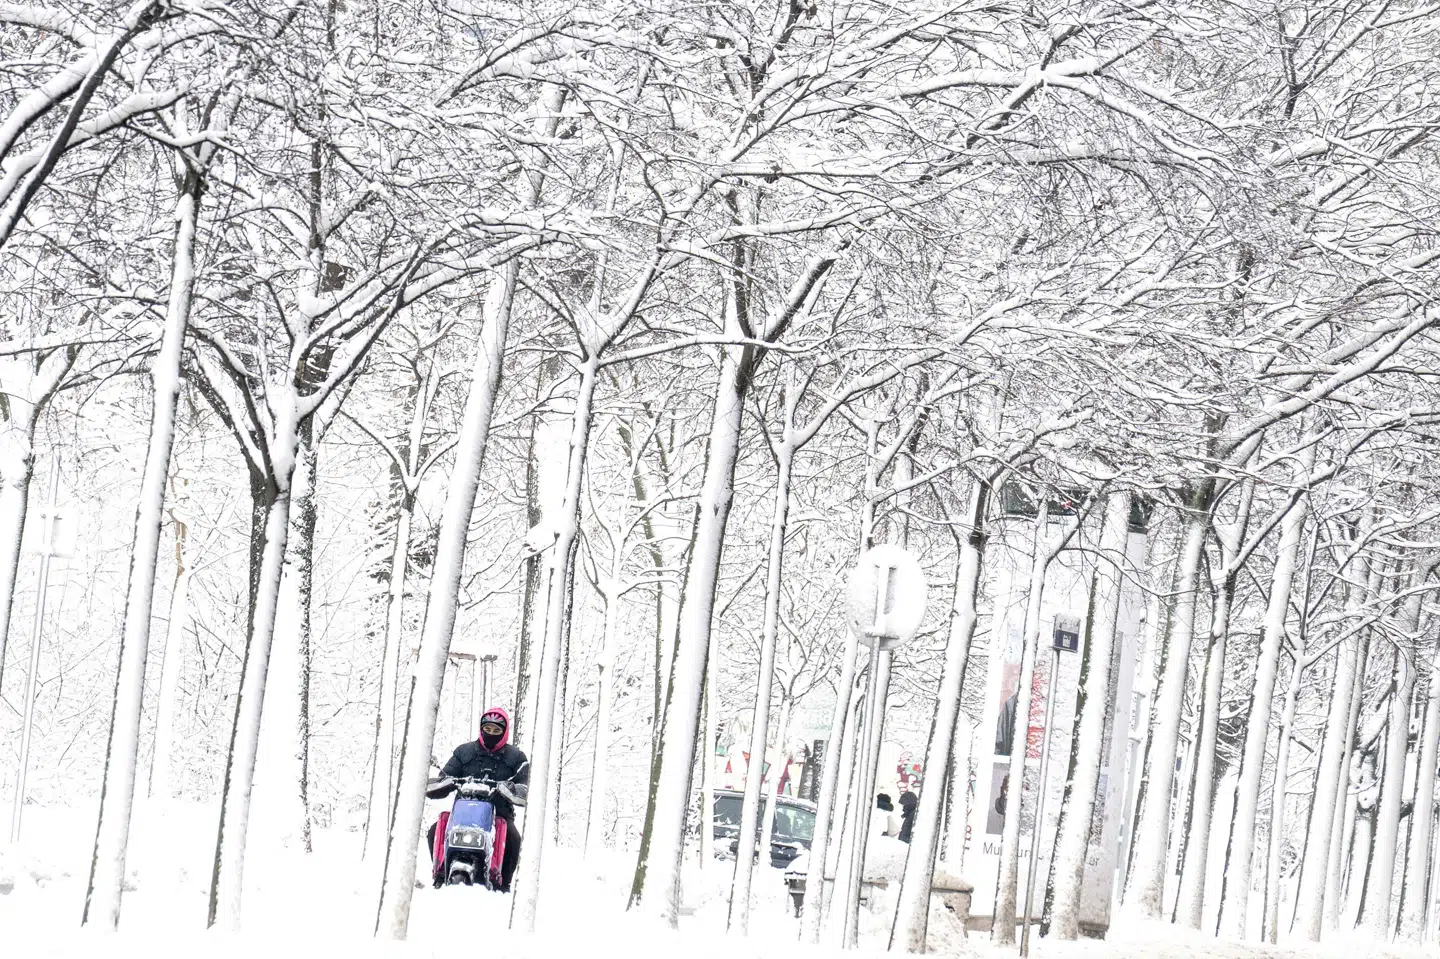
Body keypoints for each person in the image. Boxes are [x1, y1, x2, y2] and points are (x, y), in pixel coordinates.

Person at [426, 706, 529, 891]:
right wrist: (441, 783)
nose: (491, 733)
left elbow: (526, 785)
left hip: (500, 814)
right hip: (463, 814)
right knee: (434, 830)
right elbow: (444, 776)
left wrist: (511, 790)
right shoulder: (464, 752)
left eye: (496, 730)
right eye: (487, 729)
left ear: (504, 732)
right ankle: (440, 873)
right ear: (481, 728)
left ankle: (503, 885)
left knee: (513, 839)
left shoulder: (516, 757)